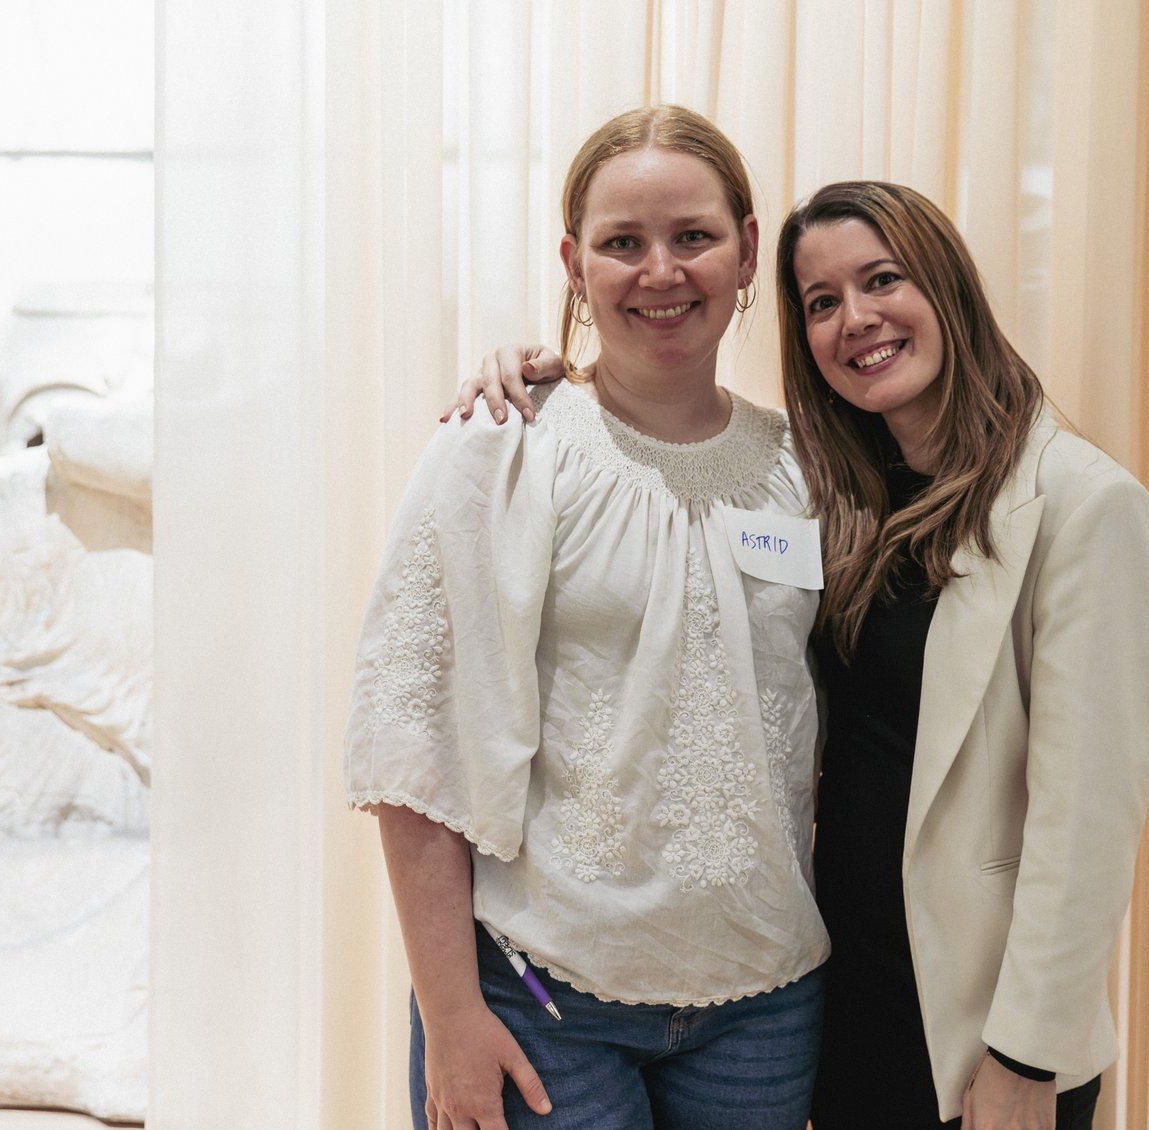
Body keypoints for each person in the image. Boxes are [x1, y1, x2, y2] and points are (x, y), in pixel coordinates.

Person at [454, 179, 1149, 1130]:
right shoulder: (835, 487)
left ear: (949, 289)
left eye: (883, 281)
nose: (856, 320)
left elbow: (1089, 827)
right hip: (844, 1001)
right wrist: (549, 371)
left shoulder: (1082, 504)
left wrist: (1025, 1055)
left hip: (976, 1026)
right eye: (823, 303)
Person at [346, 105, 830, 1130]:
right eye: (622, 243)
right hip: (541, 997)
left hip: (767, 1002)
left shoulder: (810, 469)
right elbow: (413, 746)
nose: (659, 271)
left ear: (747, 246)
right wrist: (448, 1014)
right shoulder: (504, 446)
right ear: (573, 264)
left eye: (691, 236)